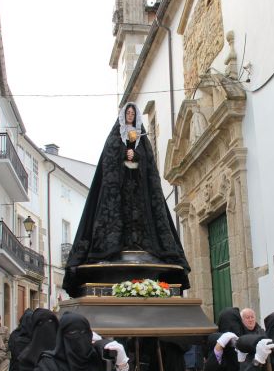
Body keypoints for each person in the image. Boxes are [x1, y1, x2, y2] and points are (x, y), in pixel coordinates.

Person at [63, 102, 190, 296]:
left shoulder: (143, 139)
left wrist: (136, 154)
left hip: (139, 191)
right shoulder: (114, 138)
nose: (130, 115)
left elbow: (149, 165)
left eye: (133, 113)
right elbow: (108, 161)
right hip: (118, 192)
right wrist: (124, 153)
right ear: (124, 116)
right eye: (128, 113)